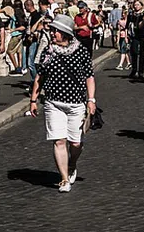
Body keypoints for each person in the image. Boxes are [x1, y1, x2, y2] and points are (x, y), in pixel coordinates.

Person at [29, 15, 97, 193]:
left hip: (76, 103)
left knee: (75, 144)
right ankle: (64, 178)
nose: (52, 34)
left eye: (55, 31)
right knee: (59, 141)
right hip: (53, 103)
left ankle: (72, 164)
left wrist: (91, 100)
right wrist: (33, 100)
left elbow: (89, 76)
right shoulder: (48, 51)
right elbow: (40, 76)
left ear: (65, 33)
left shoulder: (80, 51)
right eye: (51, 31)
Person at [127, 0, 144, 79]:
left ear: (141, 6)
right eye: (135, 5)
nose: (136, 6)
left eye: (138, 5)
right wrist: (126, 36)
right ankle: (134, 70)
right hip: (134, 36)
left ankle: (141, 72)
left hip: (142, 35)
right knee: (134, 53)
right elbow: (127, 24)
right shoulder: (131, 14)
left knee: (142, 54)